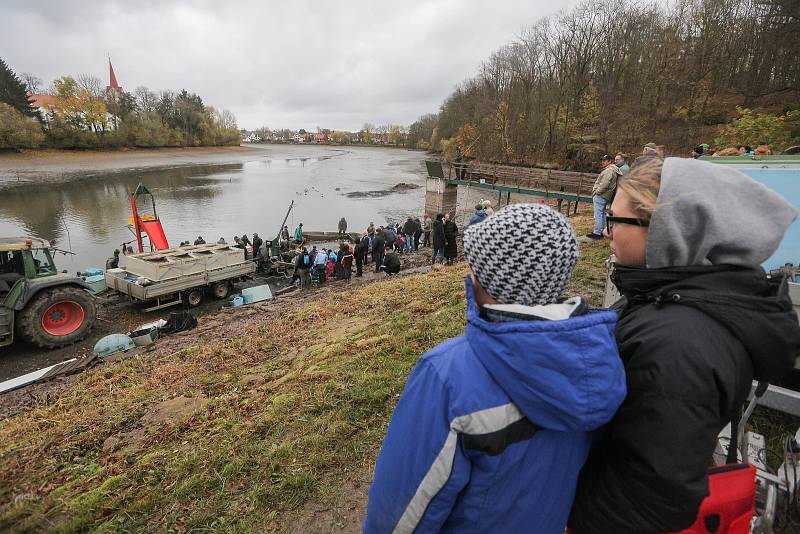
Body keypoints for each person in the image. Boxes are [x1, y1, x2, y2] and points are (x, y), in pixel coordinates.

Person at [568, 158, 800, 533]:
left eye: (616, 220)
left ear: (663, 232)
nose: (607, 232)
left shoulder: (678, 346)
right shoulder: (668, 301)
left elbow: (647, 501)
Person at [364, 203, 626, 533]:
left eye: (475, 268)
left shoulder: (447, 376)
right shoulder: (598, 364)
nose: (469, 276)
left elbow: (400, 515)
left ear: (492, 282)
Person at [586, 154, 622, 240]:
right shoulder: (612, 169)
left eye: (604, 160)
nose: (602, 162)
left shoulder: (609, 170)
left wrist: (596, 192)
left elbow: (605, 184)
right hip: (605, 195)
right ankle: (601, 231)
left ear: (610, 161)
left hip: (601, 195)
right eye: (602, 160)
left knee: (598, 214)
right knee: (601, 213)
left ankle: (598, 233)